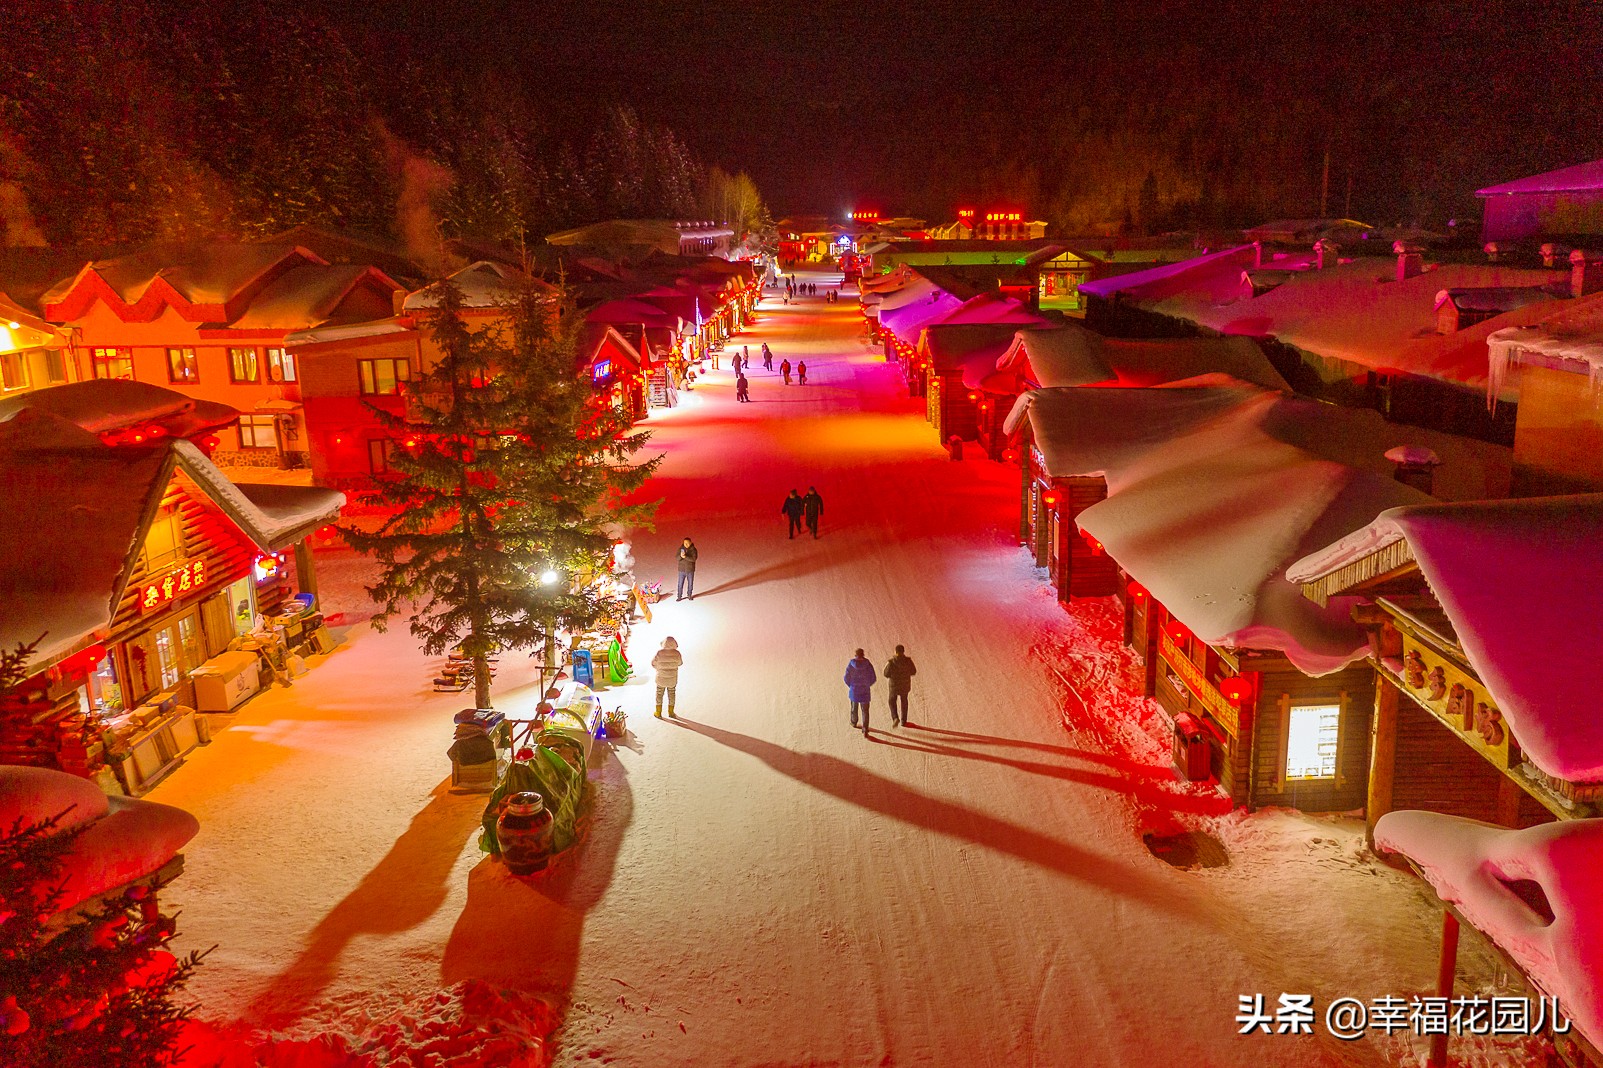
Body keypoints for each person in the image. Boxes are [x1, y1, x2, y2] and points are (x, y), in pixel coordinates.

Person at [844, 649, 877, 737]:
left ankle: (854, 722)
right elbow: (873, 677)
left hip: (854, 690)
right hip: (865, 691)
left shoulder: (851, 665)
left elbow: (846, 677)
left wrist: (851, 685)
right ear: (863, 654)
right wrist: (867, 684)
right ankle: (865, 728)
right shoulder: (868, 664)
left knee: (854, 708)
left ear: (855, 655)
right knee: (865, 710)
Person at [884, 645, 917, 727]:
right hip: (905, 685)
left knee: (892, 701)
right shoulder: (908, 661)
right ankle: (903, 720)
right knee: (904, 701)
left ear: (895, 651)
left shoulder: (891, 662)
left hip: (894, 686)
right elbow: (913, 672)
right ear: (903, 651)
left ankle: (895, 717)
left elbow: (886, 674)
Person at [652, 637, 683, 719]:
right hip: (672, 679)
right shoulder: (677, 653)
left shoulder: (659, 653)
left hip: (660, 678)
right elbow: (680, 663)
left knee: (659, 694)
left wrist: (658, 668)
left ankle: (658, 712)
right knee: (672, 694)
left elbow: (653, 663)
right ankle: (671, 712)